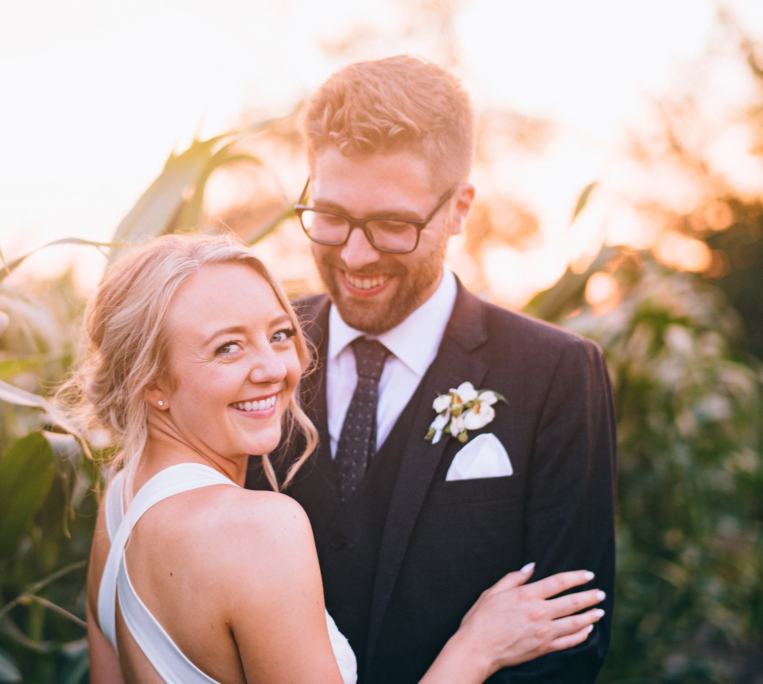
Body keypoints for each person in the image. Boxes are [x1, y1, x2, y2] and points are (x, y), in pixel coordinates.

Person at [67, 234, 606, 684]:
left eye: (279, 334)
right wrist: (475, 649)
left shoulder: (119, 506)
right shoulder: (260, 528)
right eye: (227, 347)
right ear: (152, 381)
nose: (274, 369)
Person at [244, 55, 617, 683]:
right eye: (330, 216)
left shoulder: (557, 373)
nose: (354, 255)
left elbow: (566, 642)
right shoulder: (255, 350)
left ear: (459, 209)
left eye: (393, 225)